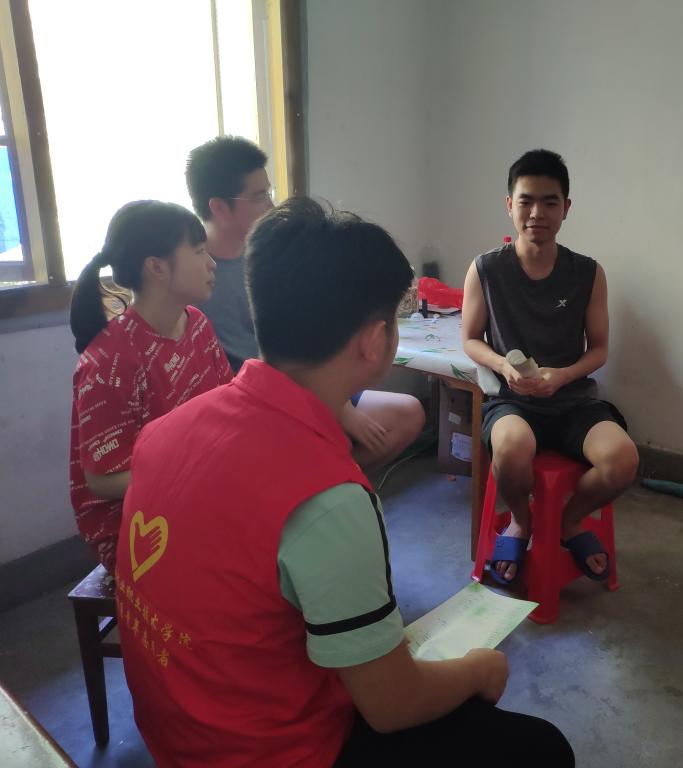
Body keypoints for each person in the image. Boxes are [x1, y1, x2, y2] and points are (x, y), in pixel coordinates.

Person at [116, 199, 574, 767]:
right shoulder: (328, 500)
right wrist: (480, 668)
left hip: (172, 740)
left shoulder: (163, 433)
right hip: (272, 755)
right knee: (542, 749)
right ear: (375, 339)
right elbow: (391, 704)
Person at [186, 136, 424, 469]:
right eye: (259, 196)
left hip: (315, 383)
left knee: (407, 415)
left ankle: (328, 479)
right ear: (219, 208)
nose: (271, 206)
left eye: (269, 193)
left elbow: (310, 345)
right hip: (258, 401)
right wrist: (338, 412)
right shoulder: (195, 279)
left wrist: (342, 407)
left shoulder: (277, 259)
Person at [462, 149, 638, 585]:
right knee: (511, 448)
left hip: (573, 400)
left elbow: (599, 349)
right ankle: (521, 521)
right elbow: (470, 339)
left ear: (566, 208)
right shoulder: (486, 269)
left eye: (550, 202)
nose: (537, 213)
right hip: (513, 401)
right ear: (510, 205)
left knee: (623, 460)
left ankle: (567, 521)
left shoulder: (588, 273)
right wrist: (503, 366)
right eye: (526, 201)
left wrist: (563, 376)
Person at [68, 200, 231, 572]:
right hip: (134, 521)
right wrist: (192, 477)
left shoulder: (198, 324)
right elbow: (102, 480)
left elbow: (227, 404)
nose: (211, 263)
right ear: (156, 267)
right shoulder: (109, 362)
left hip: (197, 485)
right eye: (198, 251)